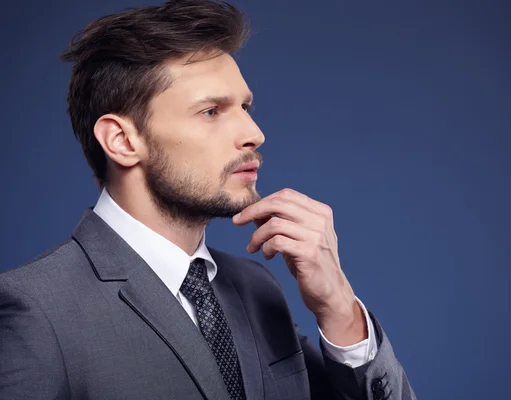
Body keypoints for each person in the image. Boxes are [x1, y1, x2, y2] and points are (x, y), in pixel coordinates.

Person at [0, 1, 416, 399]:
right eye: (211, 111)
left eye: (246, 106)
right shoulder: (36, 309)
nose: (254, 133)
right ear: (123, 140)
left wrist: (338, 307)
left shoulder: (256, 288)